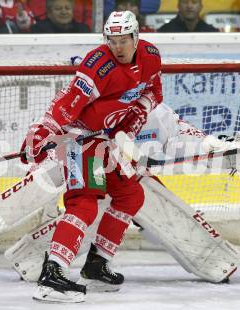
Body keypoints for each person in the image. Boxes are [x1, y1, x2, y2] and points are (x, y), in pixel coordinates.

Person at [22, 11, 162, 303]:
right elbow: (67, 103)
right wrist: (43, 130)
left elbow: (153, 91)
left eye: (124, 40)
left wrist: (135, 116)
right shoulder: (98, 65)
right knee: (84, 201)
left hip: (105, 139)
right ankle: (53, 274)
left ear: (136, 37)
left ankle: (97, 265)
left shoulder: (150, 55)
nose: (118, 47)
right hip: (79, 137)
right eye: (112, 40)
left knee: (130, 195)